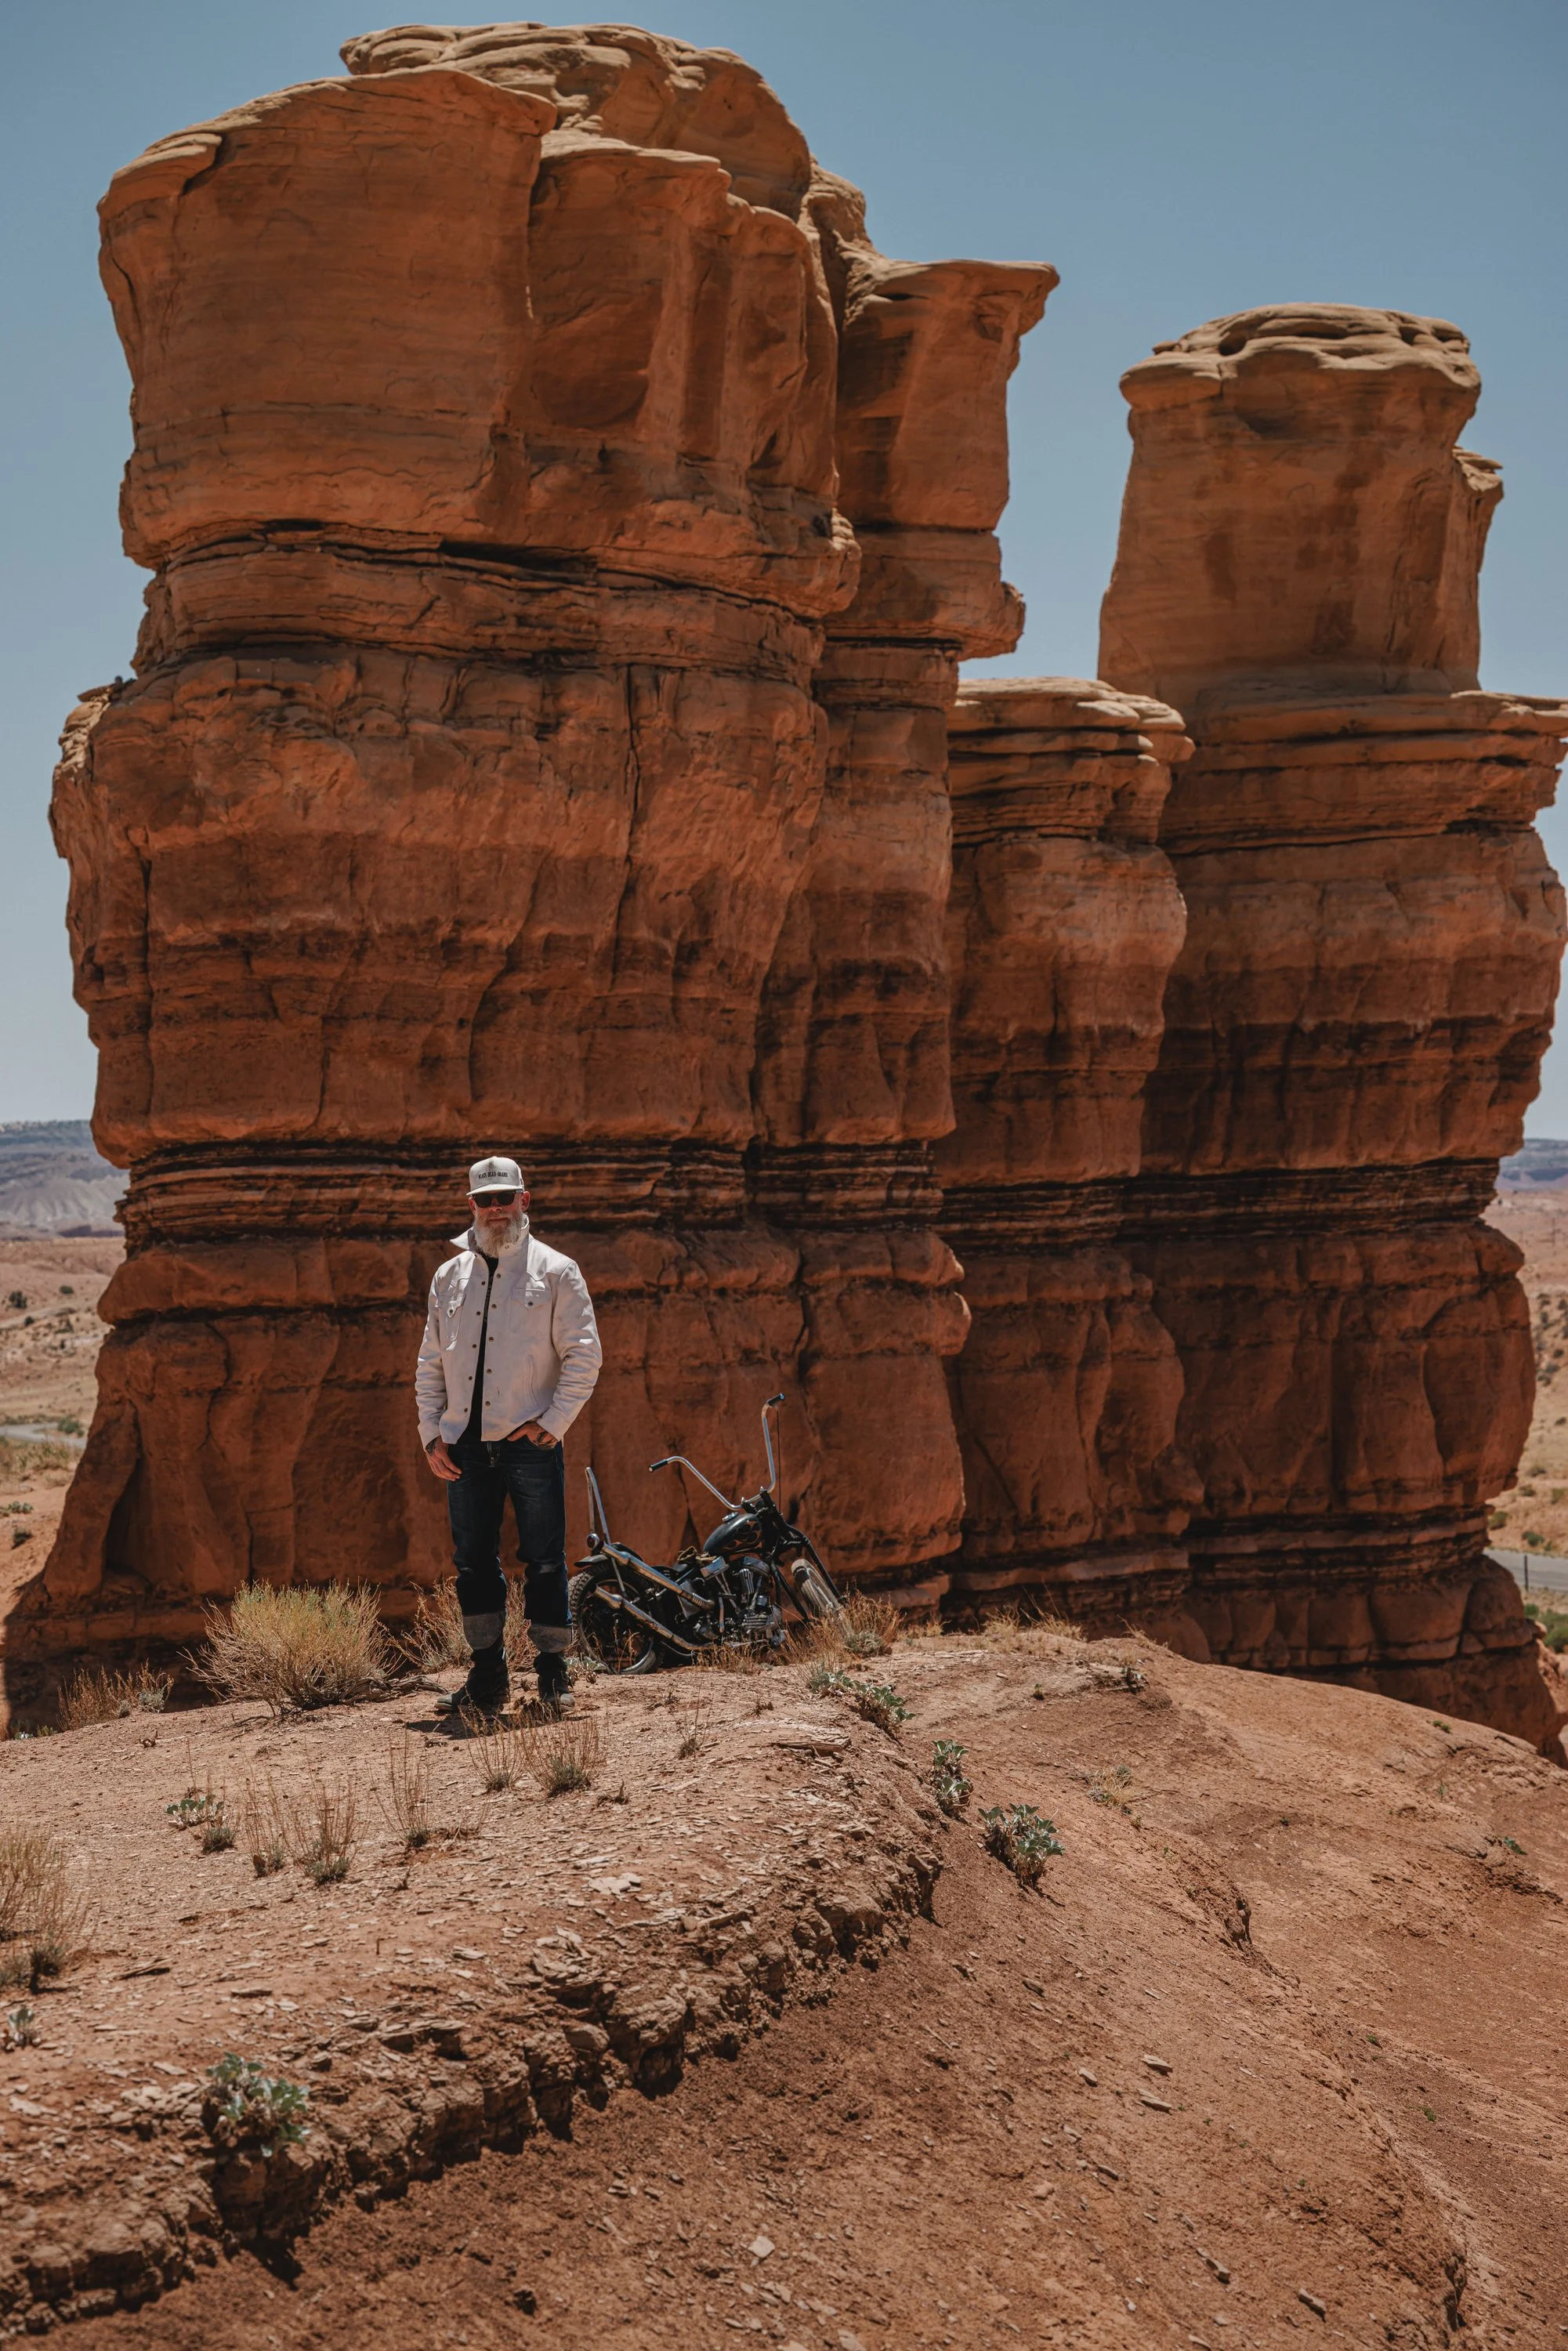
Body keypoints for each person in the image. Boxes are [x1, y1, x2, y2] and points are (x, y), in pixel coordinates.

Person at [415, 1156, 602, 1717]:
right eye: (485, 1200)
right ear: (470, 1204)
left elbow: (584, 1357)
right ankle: (487, 1677)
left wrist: (551, 1424)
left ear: (526, 1200)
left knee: (544, 1560)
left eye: (506, 1197)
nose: (496, 1209)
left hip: (531, 1444)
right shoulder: (448, 1277)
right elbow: (430, 1363)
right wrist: (431, 1435)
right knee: (472, 1561)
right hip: (463, 1446)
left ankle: (552, 1674)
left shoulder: (557, 1271)